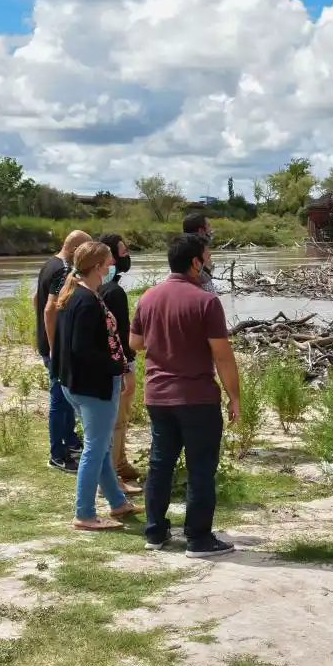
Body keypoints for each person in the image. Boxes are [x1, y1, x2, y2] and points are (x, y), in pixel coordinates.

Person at [130, 234, 239, 557]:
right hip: (197, 398)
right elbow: (222, 356)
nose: (209, 263)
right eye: (206, 257)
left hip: (157, 397)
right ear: (194, 262)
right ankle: (198, 538)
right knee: (201, 468)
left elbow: (135, 343)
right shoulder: (206, 301)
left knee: (160, 465)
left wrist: (164, 338)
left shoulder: (148, 297)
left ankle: (155, 533)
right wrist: (234, 396)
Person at [51, 240, 143, 531]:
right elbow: (83, 349)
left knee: (101, 447)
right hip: (93, 387)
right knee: (94, 448)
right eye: (108, 261)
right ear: (97, 266)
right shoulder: (86, 301)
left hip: (75, 384)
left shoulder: (74, 294)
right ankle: (85, 513)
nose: (112, 264)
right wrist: (117, 367)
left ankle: (117, 502)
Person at [36, 229, 91, 472]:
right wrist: (55, 347)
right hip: (55, 347)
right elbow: (49, 309)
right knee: (59, 400)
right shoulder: (64, 270)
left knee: (66, 399)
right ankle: (57, 454)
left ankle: (70, 442)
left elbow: (35, 298)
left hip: (47, 342)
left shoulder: (50, 263)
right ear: (76, 249)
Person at [97, 232, 141, 487]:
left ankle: (121, 462)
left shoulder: (96, 288)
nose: (127, 257)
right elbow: (119, 335)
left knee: (119, 417)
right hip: (117, 364)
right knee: (118, 419)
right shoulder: (113, 292)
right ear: (110, 257)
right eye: (123, 252)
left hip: (107, 364)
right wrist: (127, 367)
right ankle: (112, 475)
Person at [181, 212, 217, 293]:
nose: (211, 229)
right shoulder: (198, 252)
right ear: (201, 231)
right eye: (208, 225)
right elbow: (208, 294)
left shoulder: (180, 250)